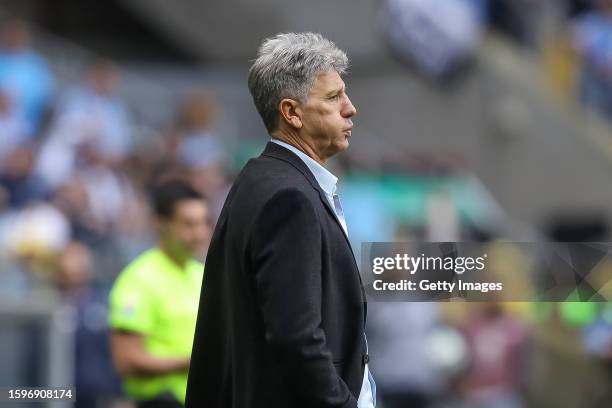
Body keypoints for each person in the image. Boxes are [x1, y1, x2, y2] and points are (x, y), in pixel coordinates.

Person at [186, 32, 375, 408]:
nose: (350, 108)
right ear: (292, 113)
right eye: (334, 97)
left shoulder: (261, 179)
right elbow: (297, 336)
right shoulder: (289, 198)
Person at [109, 180, 211, 408]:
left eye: (204, 222)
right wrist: (192, 363)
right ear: (160, 224)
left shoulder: (202, 274)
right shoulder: (139, 279)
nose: (200, 233)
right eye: (188, 224)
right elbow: (125, 361)